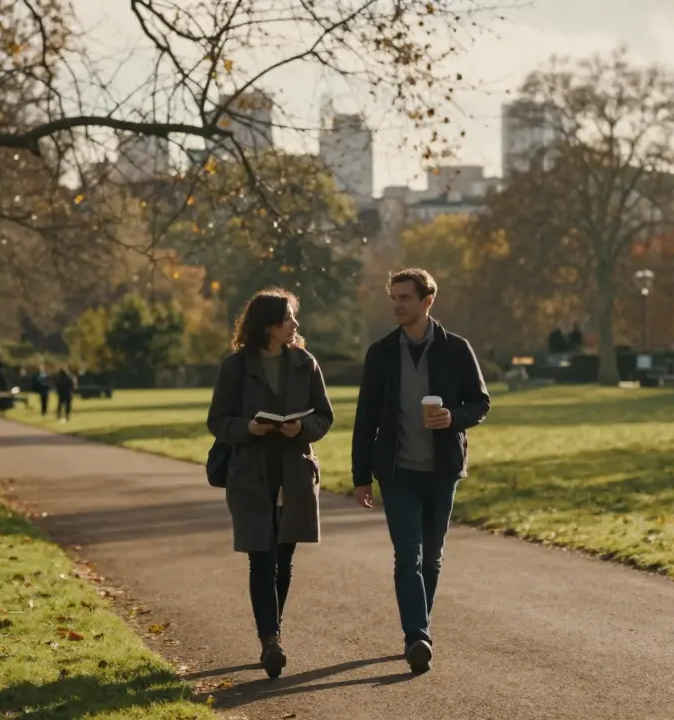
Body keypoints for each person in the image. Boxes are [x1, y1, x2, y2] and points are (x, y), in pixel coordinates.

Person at [351, 268, 490, 675]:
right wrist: (361, 475)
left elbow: (480, 403)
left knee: (432, 557)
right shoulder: (381, 353)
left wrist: (454, 417)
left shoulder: (457, 349)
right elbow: (365, 419)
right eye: (393, 298)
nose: (397, 304)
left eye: (405, 298)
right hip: (398, 473)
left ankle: (419, 627)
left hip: (442, 471)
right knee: (406, 555)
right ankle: (417, 636)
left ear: (427, 300)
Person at [206, 289, 334, 680]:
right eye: (288, 318)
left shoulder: (305, 362)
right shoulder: (235, 367)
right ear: (267, 325)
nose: (295, 324)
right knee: (260, 557)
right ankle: (271, 640)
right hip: (250, 473)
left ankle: (270, 632)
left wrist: (301, 427)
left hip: (294, 472)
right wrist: (248, 427)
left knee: (283, 560)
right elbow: (217, 420)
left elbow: (324, 417)